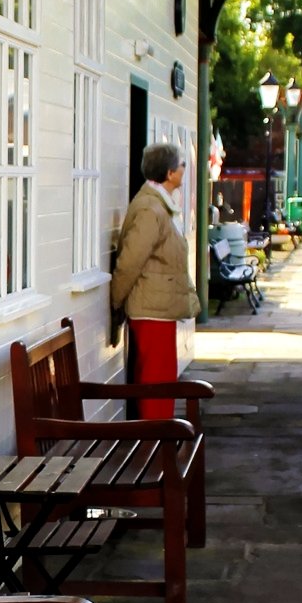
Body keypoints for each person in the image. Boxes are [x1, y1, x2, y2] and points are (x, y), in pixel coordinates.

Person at [111, 141, 199, 420]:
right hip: (150, 312)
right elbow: (130, 261)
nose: (184, 169)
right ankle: (154, 438)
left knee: (161, 379)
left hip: (158, 309)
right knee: (155, 381)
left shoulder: (159, 205)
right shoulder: (151, 209)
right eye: (181, 165)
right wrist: (116, 301)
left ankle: (160, 436)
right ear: (170, 173)